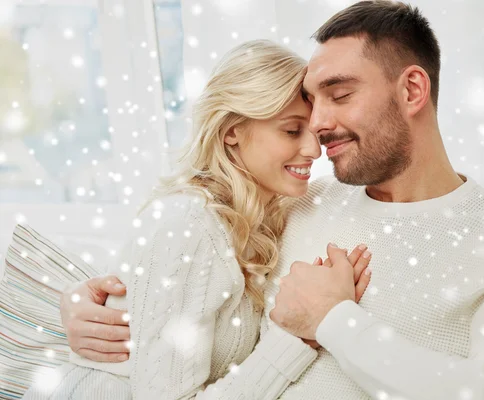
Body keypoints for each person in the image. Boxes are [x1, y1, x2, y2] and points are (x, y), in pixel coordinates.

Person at [60, 1, 484, 399]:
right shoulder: (300, 203)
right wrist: (99, 304)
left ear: (412, 90)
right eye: (308, 106)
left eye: (339, 95)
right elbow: (185, 271)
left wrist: (334, 321)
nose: (319, 128)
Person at [22, 39, 372, 400]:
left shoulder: (257, 219)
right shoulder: (189, 225)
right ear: (231, 130)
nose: (314, 150)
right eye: (291, 130)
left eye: (314, 132)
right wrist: (298, 338)